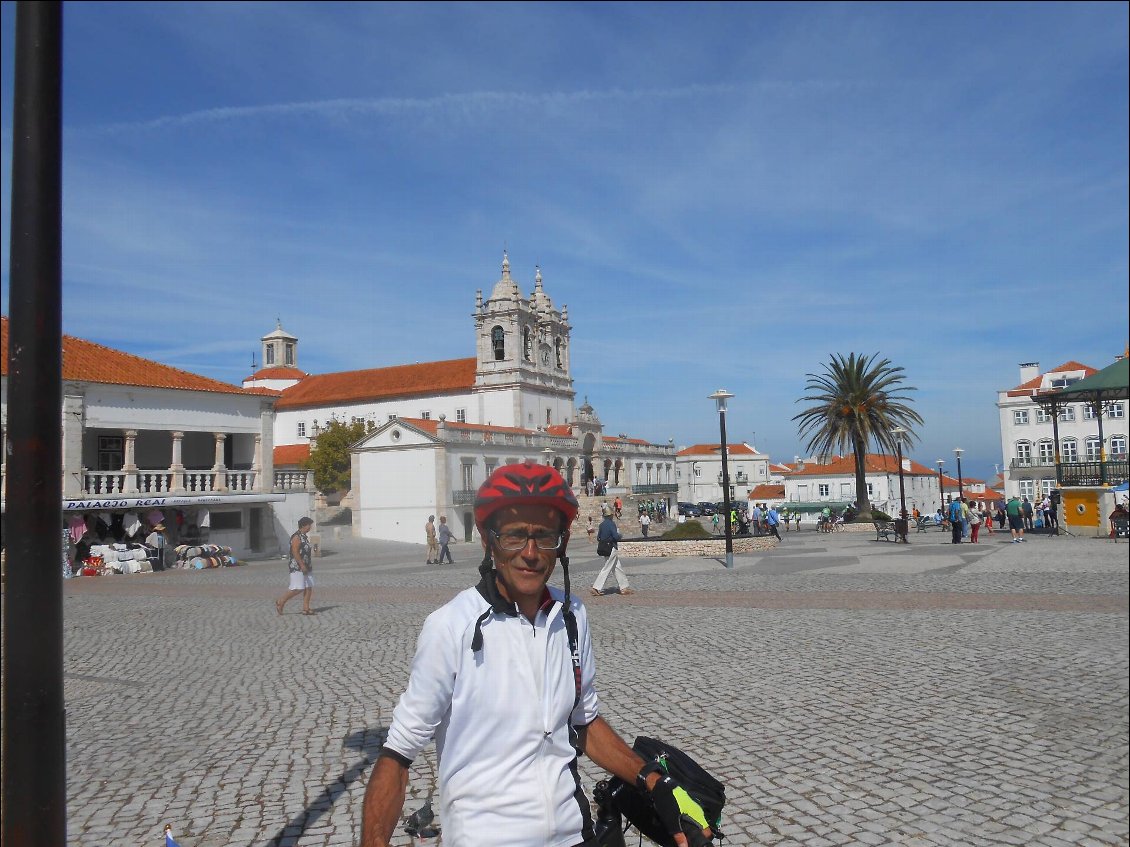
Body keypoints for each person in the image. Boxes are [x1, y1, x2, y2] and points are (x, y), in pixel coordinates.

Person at [361, 462, 709, 847]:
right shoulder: (450, 627)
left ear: (559, 543)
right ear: (487, 541)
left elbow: (585, 722)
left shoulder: (572, 616)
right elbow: (398, 755)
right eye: (514, 536)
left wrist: (654, 781)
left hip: (574, 835)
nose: (530, 553)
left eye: (544, 536)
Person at [276, 517, 314, 615]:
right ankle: (281, 601)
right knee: (297, 588)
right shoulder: (296, 537)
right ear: (303, 525)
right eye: (309, 525)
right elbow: (295, 552)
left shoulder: (304, 536)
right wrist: (302, 565)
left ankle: (306, 608)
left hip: (307, 565)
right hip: (297, 566)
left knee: (308, 586)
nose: (310, 527)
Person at [594, 507, 632, 597]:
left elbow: (598, 537)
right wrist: (620, 536)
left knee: (617, 567)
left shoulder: (601, 525)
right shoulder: (611, 524)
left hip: (604, 547)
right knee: (607, 568)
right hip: (611, 547)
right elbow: (615, 536)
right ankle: (596, 587)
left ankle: (624, 587)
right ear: (611, 515)